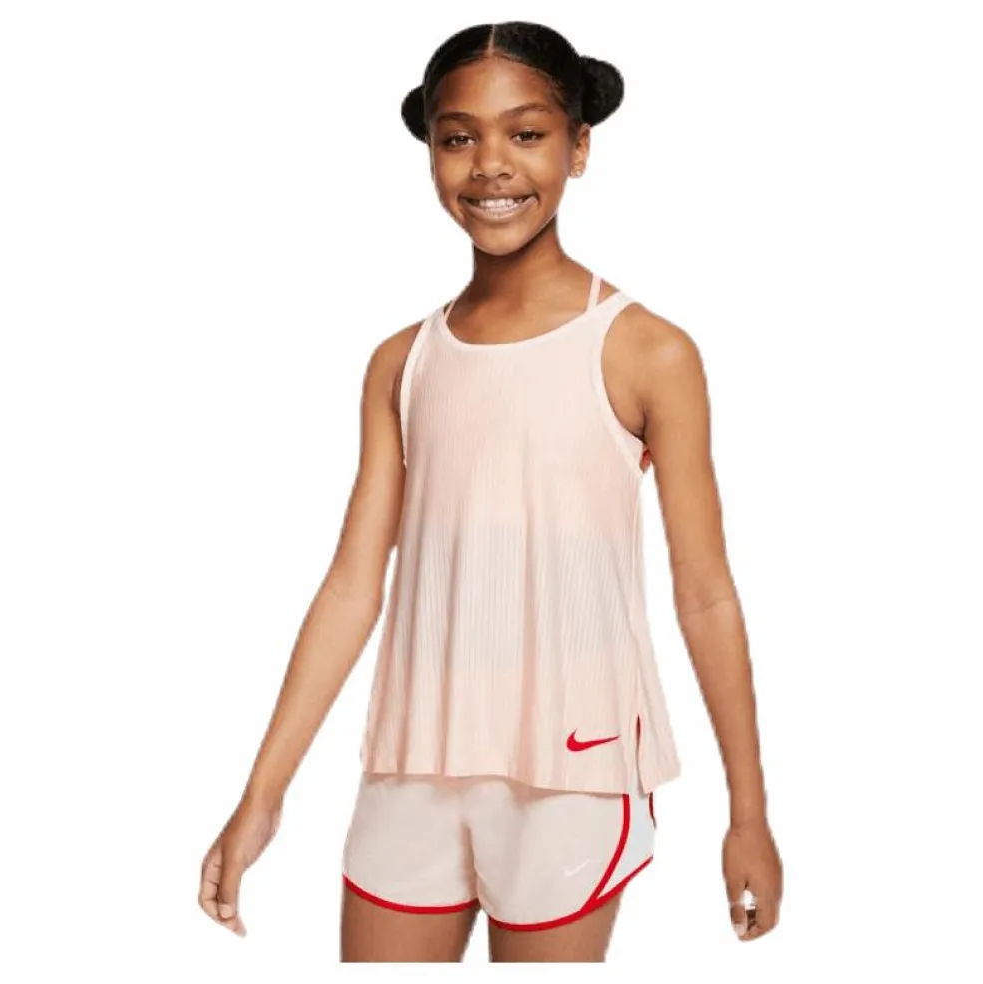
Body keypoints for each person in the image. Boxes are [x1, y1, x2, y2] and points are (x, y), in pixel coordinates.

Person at [198, 20, 783, 962]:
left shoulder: (645, 351)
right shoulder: (402, 362)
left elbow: (706, 591)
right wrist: (261, 796)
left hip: (575, 774)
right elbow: (351, 587)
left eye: (528, 133)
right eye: (458, 137)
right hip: (411, 767)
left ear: (579, 147)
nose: (491, 165)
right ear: (431, 153)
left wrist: (747, 813)